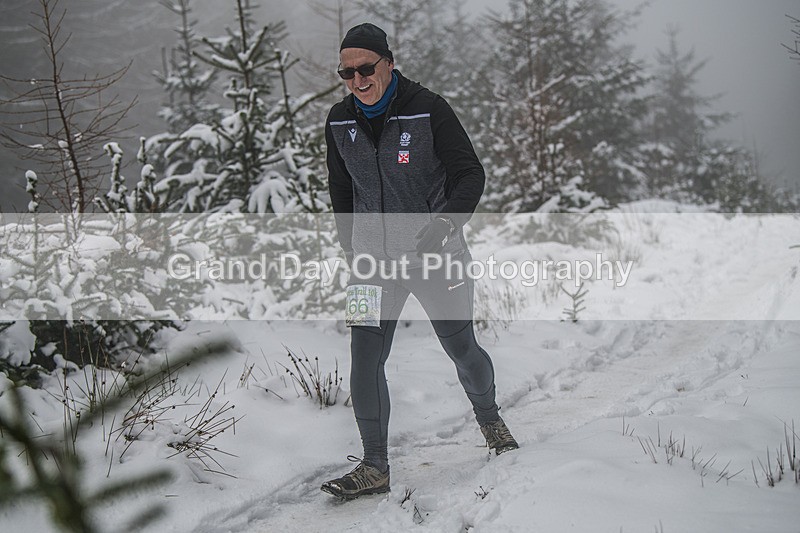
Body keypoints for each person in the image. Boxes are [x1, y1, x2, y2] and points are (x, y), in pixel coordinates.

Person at [321, 22, 518, 501]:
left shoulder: (429, 110)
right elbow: (341, 188)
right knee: (364, 359)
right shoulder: (338, 121)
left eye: (366, 68)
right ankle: (374, 467)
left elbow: (470, 173)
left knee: (462, 349)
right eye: (346, 72)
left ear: (388, 62)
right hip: (371, 264)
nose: (357, 80)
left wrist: (446, 224)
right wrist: (350, 245)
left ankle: (491, 422)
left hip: (436, 256)